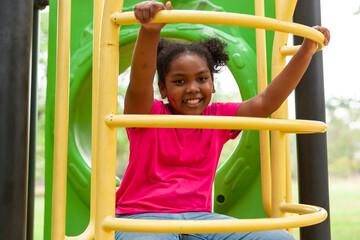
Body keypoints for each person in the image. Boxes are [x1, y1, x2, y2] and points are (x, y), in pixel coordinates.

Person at [115, 1, 331, 240]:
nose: (192, 89)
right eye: (179, 81)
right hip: (142, 217)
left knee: (279, 238)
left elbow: (266, 102)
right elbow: (139, 83)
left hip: (200, 218)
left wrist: (306, 51)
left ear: (213, 84)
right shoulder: (147, 115)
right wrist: (149, 30)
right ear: (162, 89)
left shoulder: (217, 117)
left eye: (201, 79)